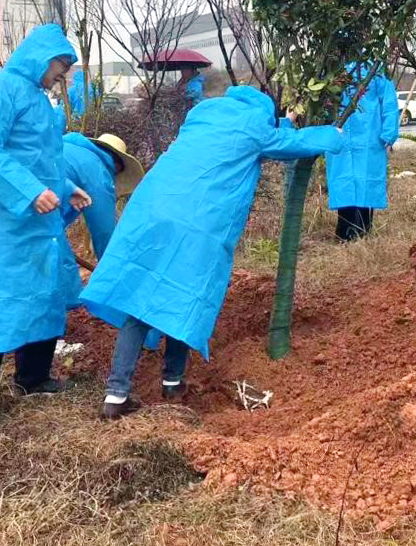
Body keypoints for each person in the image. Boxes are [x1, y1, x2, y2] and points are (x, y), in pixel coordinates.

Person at [80, 86, 342, 419]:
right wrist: (332, 134)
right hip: (198, 224)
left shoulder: (201, 118)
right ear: (263, 111)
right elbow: (288, 145)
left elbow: (263, 136)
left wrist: (283, 122)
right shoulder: (255, 128)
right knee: (185, 299)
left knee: (140, 301)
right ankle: (172, 381)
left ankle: (116, 396)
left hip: (152, 212)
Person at [0, 24, 92, 436]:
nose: (60, 76)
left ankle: (33, 378)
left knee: (41, 298)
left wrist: (66, 187)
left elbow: (40, 159)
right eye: (59, 67)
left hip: (30, 222)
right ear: (39, 56)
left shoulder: (37, 99)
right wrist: (29, 192)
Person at [58, 132, 144, 310]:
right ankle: (55, 335)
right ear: (117, 165)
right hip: (40, 223)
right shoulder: (98, 170)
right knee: (63, 284)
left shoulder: (66, 149)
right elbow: (104, 233)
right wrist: (115, 278)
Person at [325, 62, 399, 241]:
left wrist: (389, 135)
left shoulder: (375, 68)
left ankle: (361, 230)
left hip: (369, 138)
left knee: (366, 183)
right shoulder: (332, 67)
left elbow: (389, 103)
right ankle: (344, 230)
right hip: (340, 136)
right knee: (344, 183)